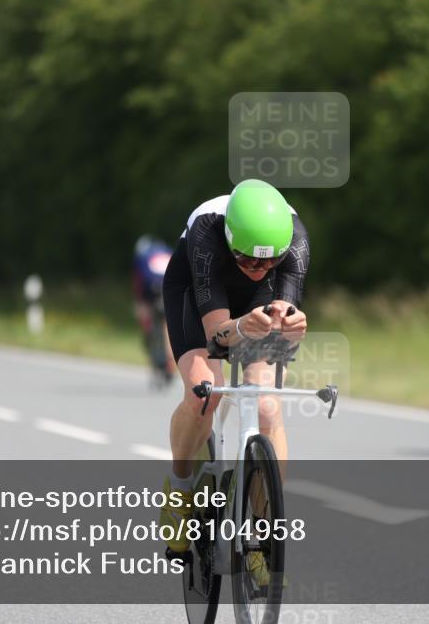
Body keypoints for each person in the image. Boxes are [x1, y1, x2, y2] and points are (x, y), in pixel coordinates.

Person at [159, 179, 310, 567]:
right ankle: (179, 490)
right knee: (205, 394)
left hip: (255, 306)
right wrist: (242, 327)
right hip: (197, 294)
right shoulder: (208, 233)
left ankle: (264, 525)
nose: (258, 270)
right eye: (247, 260)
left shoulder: (293, 244)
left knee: (268, 409)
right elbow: (217, 338)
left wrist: (290, 326)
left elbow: (282, 318)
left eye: (268, 262)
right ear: (230, 240)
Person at [132, 236, 174, 383]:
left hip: (151, 289)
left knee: (143, 312)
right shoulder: (167, 250)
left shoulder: (141, 256)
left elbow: (139, 285)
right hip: (170, 289)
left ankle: (148, 330)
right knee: (167, 326)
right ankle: (169, 361)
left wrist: (140, 304)